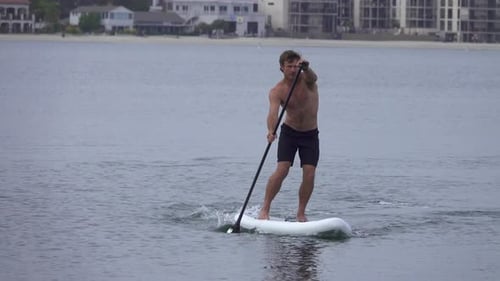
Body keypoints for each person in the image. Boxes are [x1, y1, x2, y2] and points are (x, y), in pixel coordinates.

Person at [258, 50, 319, 222]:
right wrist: (271, 130)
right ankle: (265, 209)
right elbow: (273, 113)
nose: (293, 70)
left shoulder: (307, 80)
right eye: (289, 66)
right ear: (281, 68)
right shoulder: (277, 91)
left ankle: (300, 213)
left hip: (310, 134)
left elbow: (313, 77)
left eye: (295, 66)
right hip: (289, 133)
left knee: (309, 173)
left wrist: (306, 68)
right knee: (282, 170)